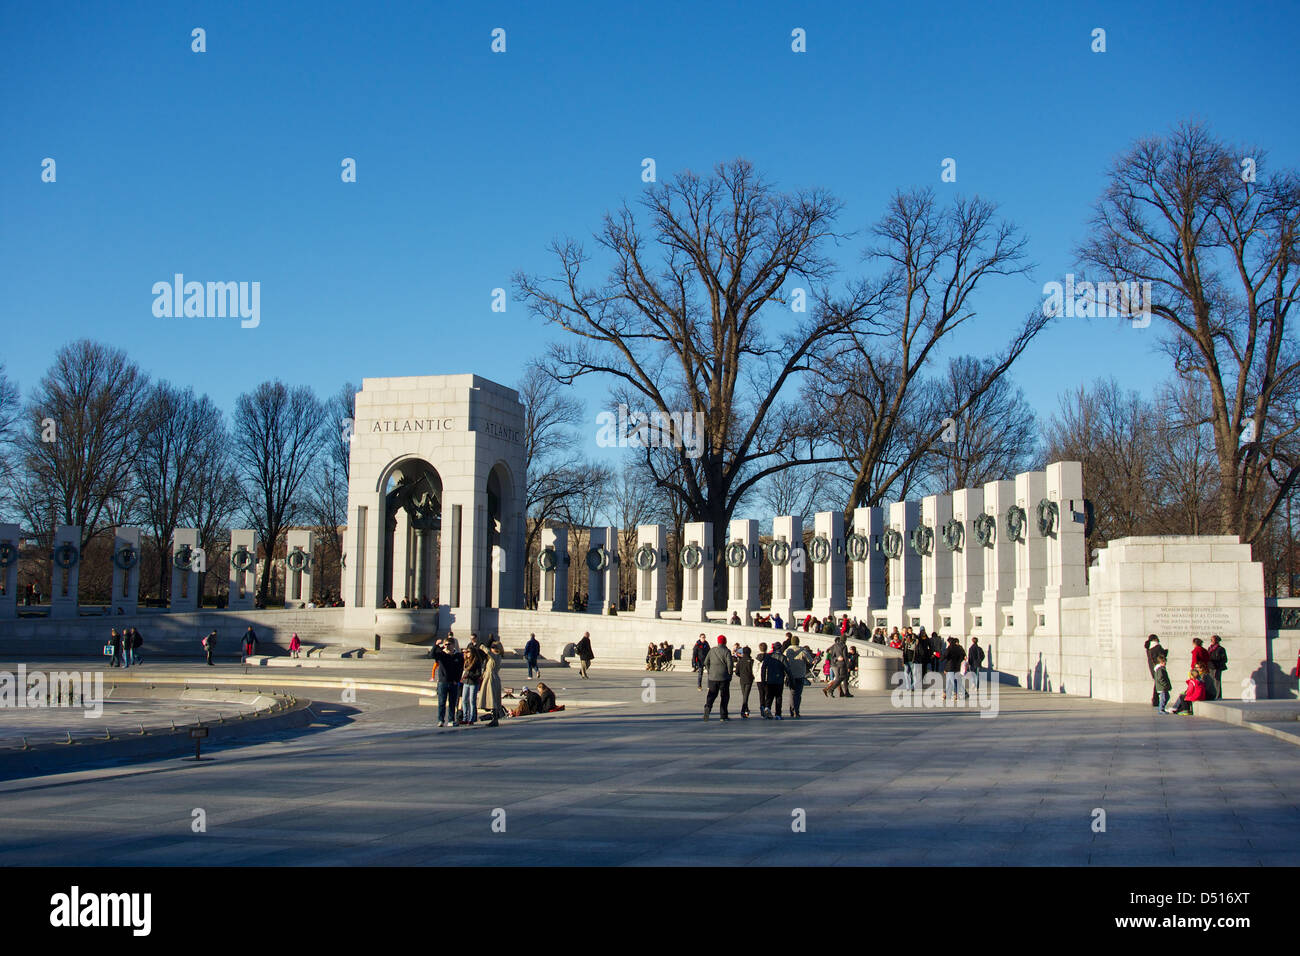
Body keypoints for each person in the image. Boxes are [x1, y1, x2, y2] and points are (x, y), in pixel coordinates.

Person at [430, 637, 463, 727]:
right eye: (445, 644)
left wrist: (457, 680)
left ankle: (451, 720)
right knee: (441, 702)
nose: (447, 646)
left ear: (453, 645)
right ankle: (441, 720)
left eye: (449, 644)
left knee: (452, 702)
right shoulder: (441, 654)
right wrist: (436, 645)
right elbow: (432, 655)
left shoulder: (458, 655)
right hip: (443, 682)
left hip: (453, 682)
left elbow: (460, 669)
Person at [703, 635, 734, 720]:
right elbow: (730, 664)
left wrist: (710, 671)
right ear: (725, 642)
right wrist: (730, 674)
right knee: (724, 696)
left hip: (713, 677)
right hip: (724, 677)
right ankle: (723, 716)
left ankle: (708, 707)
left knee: (711, 694)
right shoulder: (727, 651)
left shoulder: (712, 650)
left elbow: (706, 662)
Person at [783, 634, 813, 718]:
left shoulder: (787, 651)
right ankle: (796, 710)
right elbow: (810, 661)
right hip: (800, 674)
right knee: (798, 694)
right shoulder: (803, 650)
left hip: (790, 675)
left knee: (792, 693)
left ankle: (792, 710)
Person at [479, 637, 503, 727]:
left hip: (492, 678)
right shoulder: (495, 657)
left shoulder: (496, 656)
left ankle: (495, 718)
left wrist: (482, 646)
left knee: (492, 698)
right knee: (492, 697)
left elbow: (488, 652)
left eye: (493, 647)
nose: (491, 649)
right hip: (490, 677)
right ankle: (494, 717)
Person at [460, 636, 484, 725]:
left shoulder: (476, 661)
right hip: (466, 683)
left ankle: (472, 718)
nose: (467, 653)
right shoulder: (466, 661)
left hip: (473, 683)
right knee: (464, 700)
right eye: (466, 652)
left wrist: (469, 675)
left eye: (468, 652)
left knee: (472, 701)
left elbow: (478, 674)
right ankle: (465, 717)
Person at [761, 639, 787, 718]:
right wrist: (790, 678)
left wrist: (763, 679)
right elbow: (787, 669)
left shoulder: (768, 656)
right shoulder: (783, 657)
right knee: (778, 697)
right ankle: (778, 714)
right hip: (779, 680)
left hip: (770, 680)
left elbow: (763, 668)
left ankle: (767, 708)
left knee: (769, 696)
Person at [1144, 635, 1168, 707]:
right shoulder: (1157, 647)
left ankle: (1155, 700)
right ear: (1155, 639)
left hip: (1152, 668)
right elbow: (1162, 656)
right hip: (1158, 667)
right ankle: (1156, 700)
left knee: (1157, 683)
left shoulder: (1149, 649)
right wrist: (1166, 652)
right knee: (1159, 683)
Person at [943, 637, 966, 701]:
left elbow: (946, 658)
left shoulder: (951, 648)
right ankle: (945, 694)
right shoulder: (958, 648)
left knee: (953, 681)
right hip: (954, 667)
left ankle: (956, 695)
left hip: (952, 668)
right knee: (950, 681)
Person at [735, 646, 754, 718]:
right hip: (749, 680)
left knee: (745, 695)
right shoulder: (751, 661)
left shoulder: (740, 661)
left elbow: (736, 672)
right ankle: (743, 710)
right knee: (746, 696)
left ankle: (746, 710)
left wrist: (741, 675)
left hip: (742, 680)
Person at [1207, 635, 1227, 700]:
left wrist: (1217, 662)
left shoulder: (1221, 649)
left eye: (1213, 640)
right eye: (1211, 640)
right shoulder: (1209, 648)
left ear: (1217, 640)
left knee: (1217, 681)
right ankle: (1212, 695)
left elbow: (1224, 659)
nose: (1211, 641)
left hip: (1217, 667)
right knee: (1211, 682)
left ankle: (1218, 696)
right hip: (1210, 667)